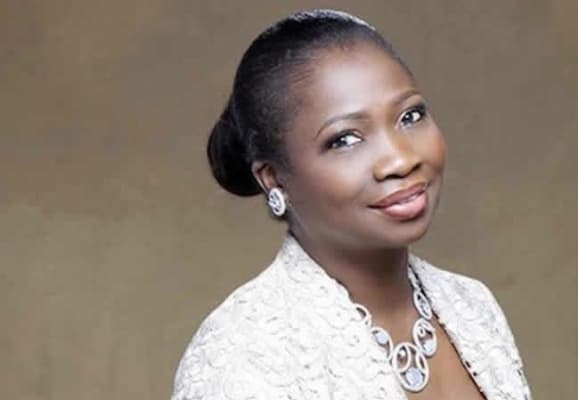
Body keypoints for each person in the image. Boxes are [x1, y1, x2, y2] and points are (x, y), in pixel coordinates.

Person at [171, 9, 532, 400]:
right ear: (273, 178)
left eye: (410, 116)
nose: (401, 159)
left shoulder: (473, 306)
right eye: (345, 140)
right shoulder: (242, 357)